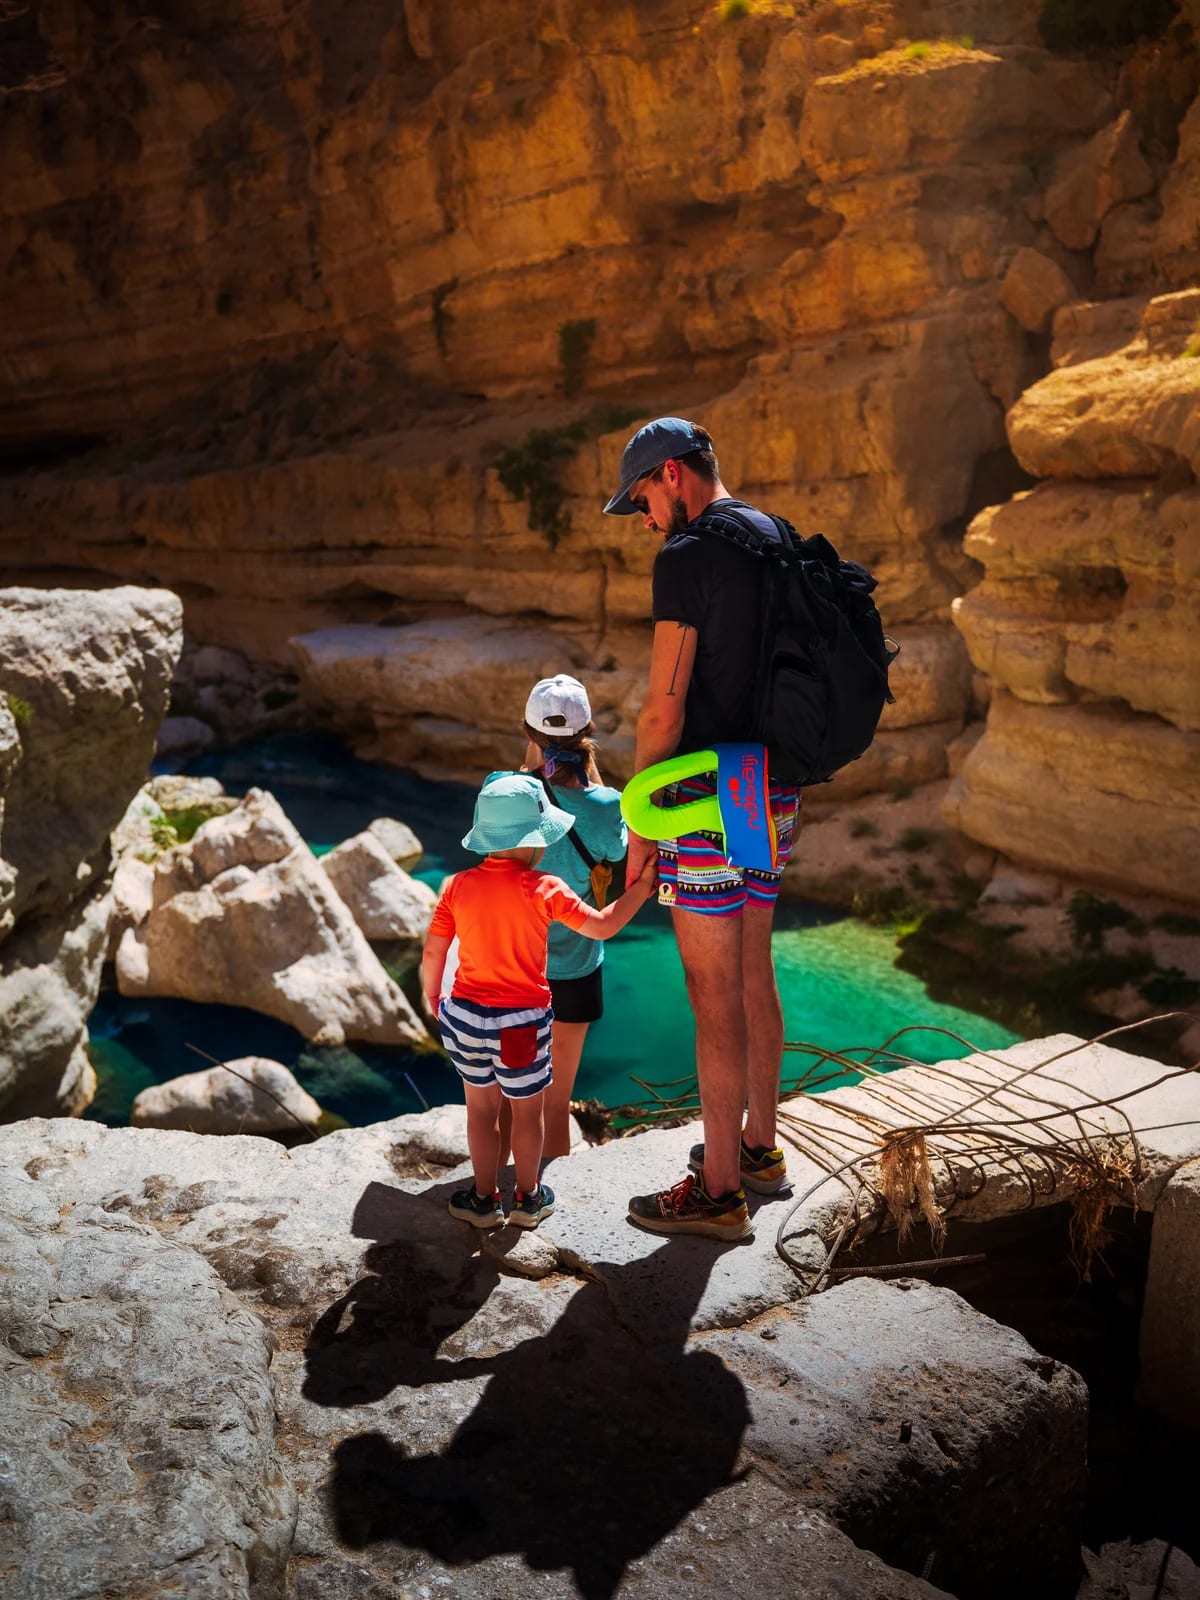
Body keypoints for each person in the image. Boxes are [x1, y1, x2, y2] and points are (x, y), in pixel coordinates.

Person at [603, 417, 800, 1241]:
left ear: (674, 474)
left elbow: (663, 708)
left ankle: (718, 1194)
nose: (646, 518)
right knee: (755, 967)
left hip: (706, 800)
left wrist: (639, 823)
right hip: (773, 788)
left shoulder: (687, 557)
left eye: (644, 497)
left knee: (710, 992)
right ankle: (760, 1150)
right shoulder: (774, 535)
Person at [422, 770, 655, 1231]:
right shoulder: (545, 888)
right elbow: (603, 926)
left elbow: (435, 950)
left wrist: (435, 995)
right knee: (528, 1110)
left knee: (482, 1111)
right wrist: (642, 888)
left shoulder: (456, 886)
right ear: (532, 842)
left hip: (466, 1016)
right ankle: (529, 1199)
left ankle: (483, 1199)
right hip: (521, 1023)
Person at [508, 673, 627, 1160]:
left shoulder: (508, 794)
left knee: (512, 1098)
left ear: (528, 732)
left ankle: (497, 1193)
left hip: (514, 965)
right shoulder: (607, 804)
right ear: (588, 733)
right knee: (557, 1102)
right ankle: (553, 1198)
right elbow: (613, 853)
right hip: (576, 966)